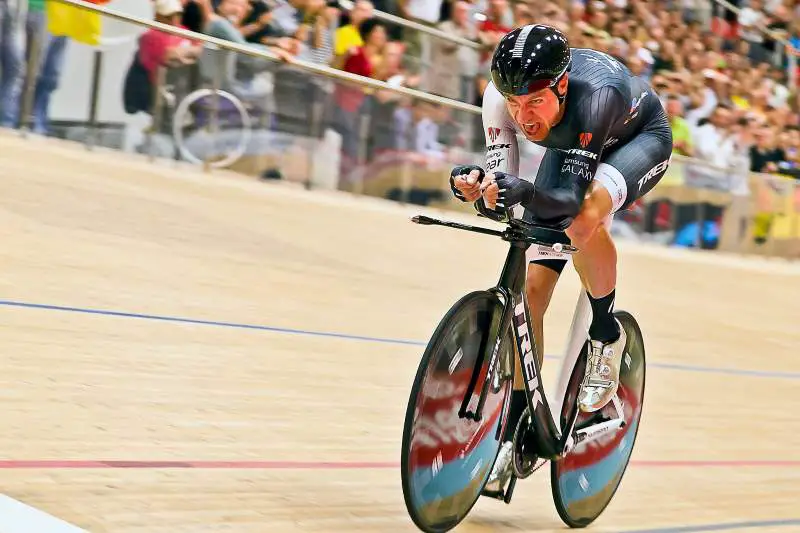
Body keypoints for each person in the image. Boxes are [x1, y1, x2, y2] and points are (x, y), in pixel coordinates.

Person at [448, 24, 672, 494]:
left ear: (562, 85)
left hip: (635, 140)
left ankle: (605, 333)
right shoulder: (501, 98)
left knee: (582, 218)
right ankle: (516, 427)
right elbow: (502, 186)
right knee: (531, 293)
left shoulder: (594, 96)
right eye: (514, 104)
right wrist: (475, 183)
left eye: (534, 103)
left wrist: (526, 191)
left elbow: (567, 201)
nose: (522, 116)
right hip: (573, 146)